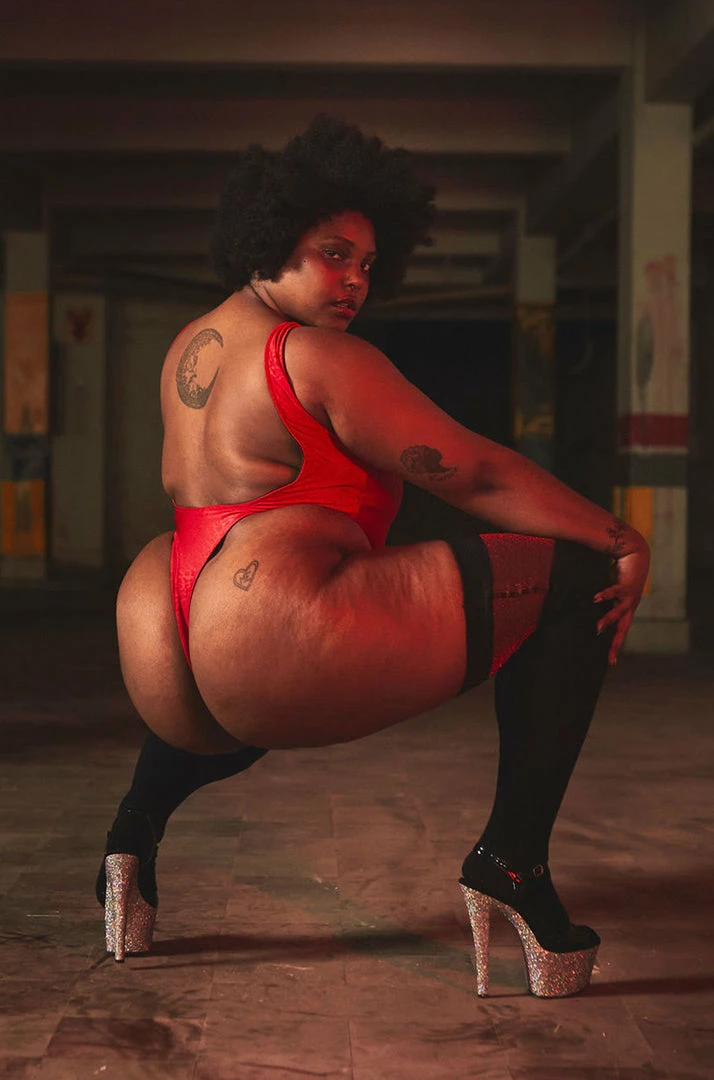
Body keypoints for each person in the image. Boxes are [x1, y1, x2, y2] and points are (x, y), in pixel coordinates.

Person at [97, 115, 650, 996]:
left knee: (253, 705)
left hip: (168, 636)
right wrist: (618, 536)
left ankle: (132, 832)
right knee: (577, 574)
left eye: (367, 263)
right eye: (333, 254)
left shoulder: (189, 346)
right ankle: (513, 865)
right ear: (273, 235)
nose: (355, 279)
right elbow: (475, 473)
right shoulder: (316, 355)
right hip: (265, 633)